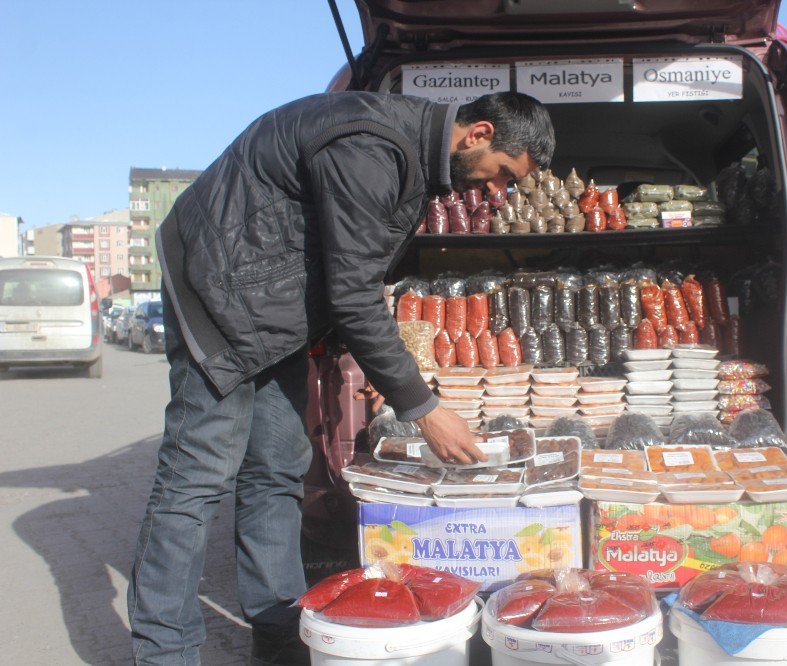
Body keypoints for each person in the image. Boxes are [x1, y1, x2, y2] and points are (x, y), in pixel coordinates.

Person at [128, 91, 555, 665]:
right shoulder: (371, 145)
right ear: (477, 132)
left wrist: (353, 353)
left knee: (277, 470)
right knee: (197, 476)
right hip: (220, 287)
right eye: (501, 172)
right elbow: (353, 292)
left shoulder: (410, 158)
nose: (494, 189)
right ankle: (164, 652)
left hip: (274, 307)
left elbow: (344, 267)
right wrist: (421, 406)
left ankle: (280, 633)